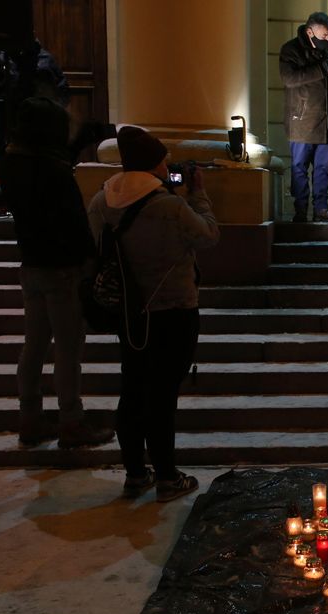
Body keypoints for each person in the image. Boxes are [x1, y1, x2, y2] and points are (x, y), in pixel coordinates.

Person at [87, 127, 219, 502]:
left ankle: (134, 474)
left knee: (132, 389)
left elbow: (96, 244)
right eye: (163, 159)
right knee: (163, 395)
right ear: (154, 162)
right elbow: (208, 236)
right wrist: (198, 194)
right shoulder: (170, 206)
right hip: (174, 309)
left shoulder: (101, 200)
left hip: (128, 311)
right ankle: (167, 476)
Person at [0, 97, 114, 449]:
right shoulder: (54, 171)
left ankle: (30, 417)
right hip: (62, 268)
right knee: (67, 349)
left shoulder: (12, 164)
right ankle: (71, 421)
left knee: (33, 346)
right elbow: (75, 222)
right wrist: (91, 262)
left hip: (31, 265)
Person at [279, 11, 328, 223]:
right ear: (310, 32)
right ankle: (300, 211)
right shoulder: (291, 49)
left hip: (326, 122)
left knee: (322, 169)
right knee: (299, 168)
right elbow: (289, 78)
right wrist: (320, 69)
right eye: (324, 35)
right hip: (301, 120)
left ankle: (321, 209)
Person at [0, 38, 68, 154]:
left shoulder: (44, 57)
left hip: (38, 115)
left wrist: (58, 110)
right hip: (6, 114)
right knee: (7, 152)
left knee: (37, 152)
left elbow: (61, 86)